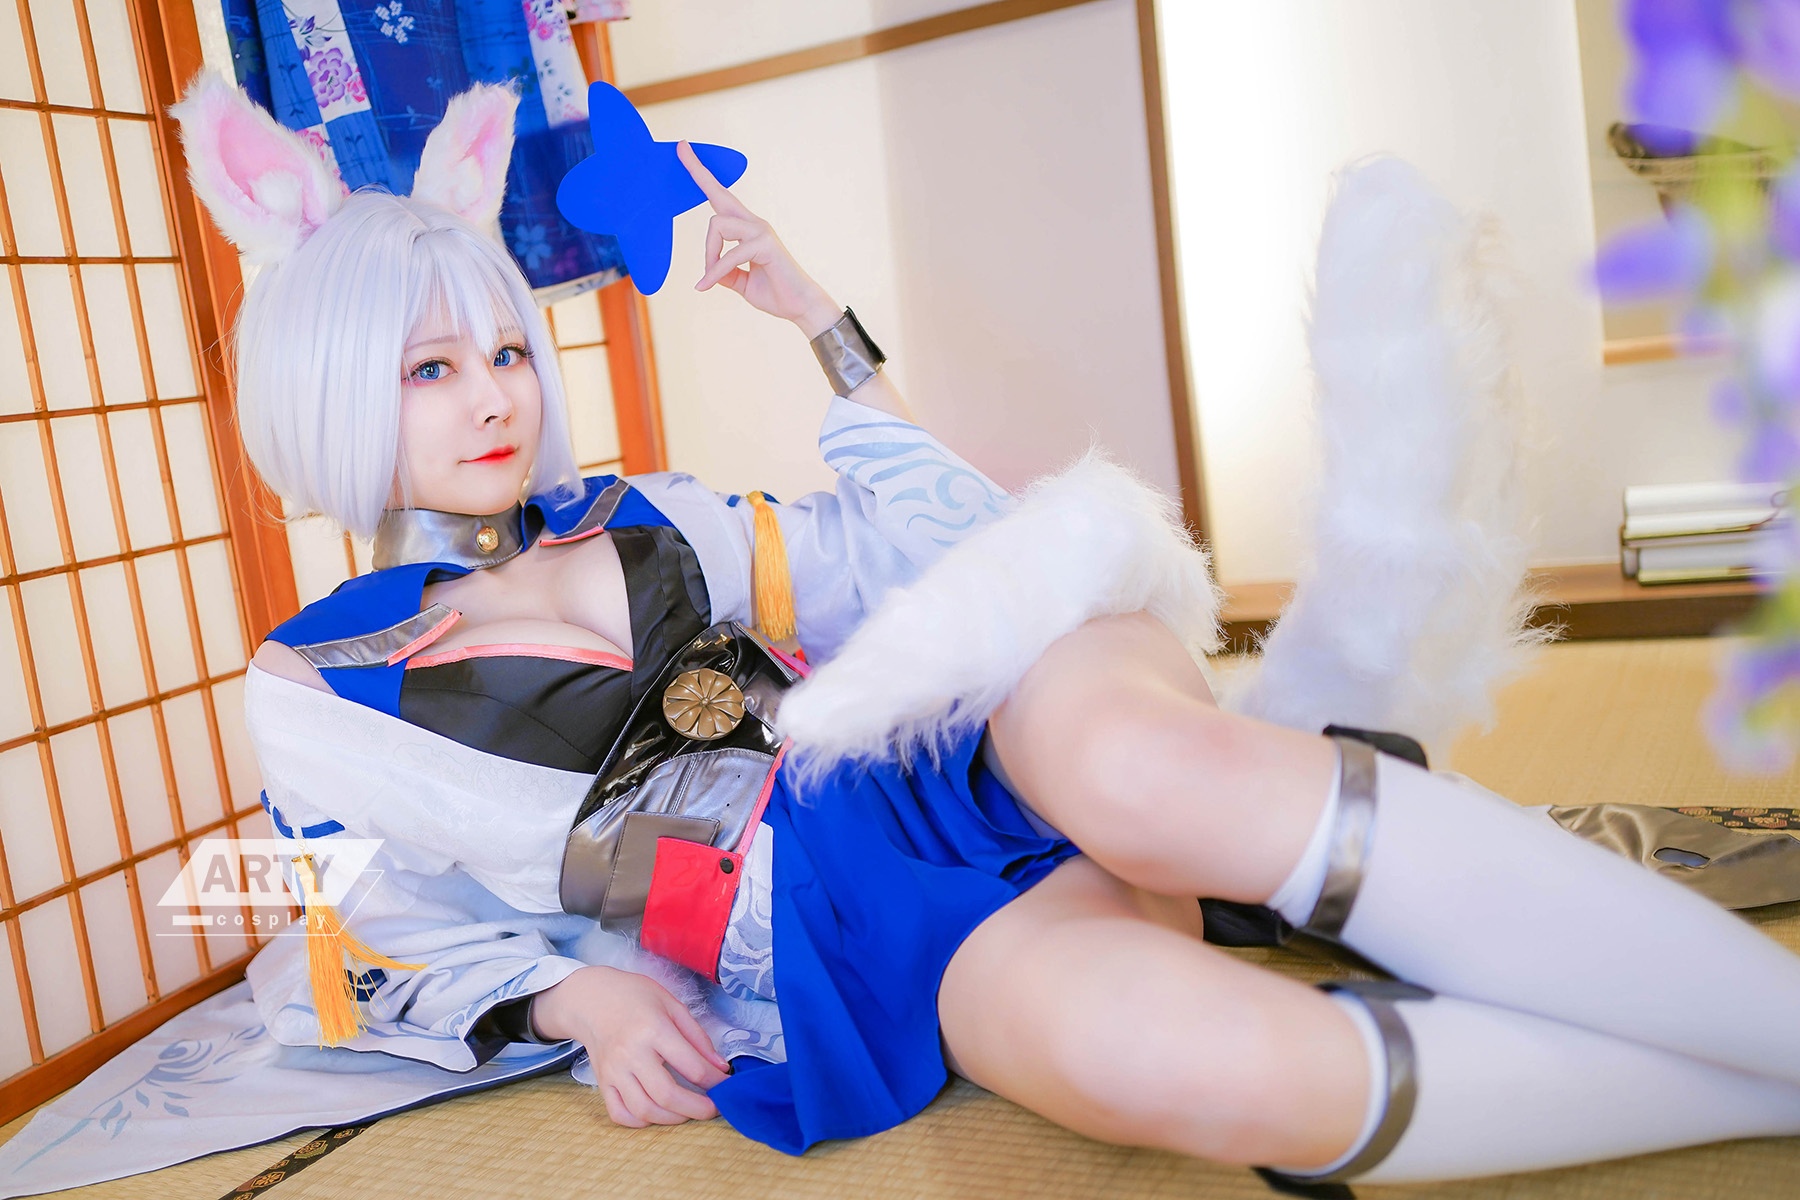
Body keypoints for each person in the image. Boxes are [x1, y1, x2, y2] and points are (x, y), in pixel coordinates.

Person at [6, 72, 1800, 1199]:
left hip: (992, 724)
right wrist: (573, 989)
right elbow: (339, 936)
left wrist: (815, 319)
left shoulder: (649, 513)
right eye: (428, 366)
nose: (493, 396)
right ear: (325, 390)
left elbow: (957, 551)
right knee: (1190, 1075)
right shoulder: (314, 688)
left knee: (1136, 768)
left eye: (502, 351)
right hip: (836, 927)